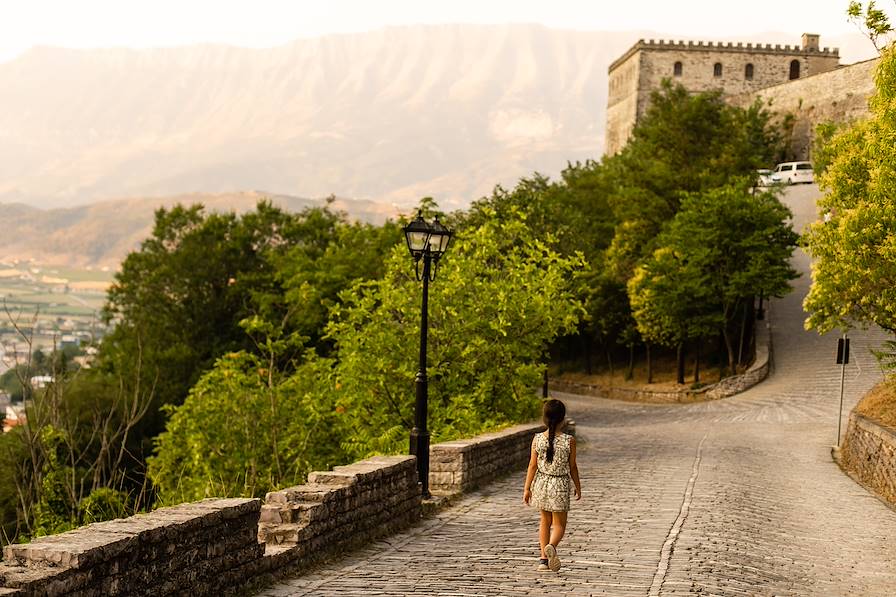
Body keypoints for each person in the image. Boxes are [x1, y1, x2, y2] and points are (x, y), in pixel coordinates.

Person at [522, 398, 581, 572]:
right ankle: (552, 547)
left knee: (544, 522)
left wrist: (527, 488)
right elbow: (573, 467)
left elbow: (532, 465)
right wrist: (578, 485)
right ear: (563, 419)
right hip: (560, 484)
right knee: (560, 525)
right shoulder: (569, 441)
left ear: (544, 419)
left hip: (541, 483)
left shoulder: (537, 439)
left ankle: (543, 560)